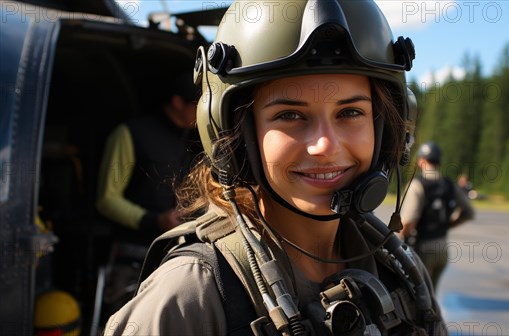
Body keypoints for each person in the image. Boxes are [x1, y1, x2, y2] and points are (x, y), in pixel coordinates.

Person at [104, 1, 447, 335]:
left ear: (388, 127)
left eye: (350, 112)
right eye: (290, 115)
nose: (325, 145)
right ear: (236, 138)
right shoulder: (190, 297)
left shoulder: (400, 270)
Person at [95, 73, 201, 311]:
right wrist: (154, 220)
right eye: (197, 105)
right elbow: (107, 199)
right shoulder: (130, 133)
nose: (202, 112)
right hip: (131, 254)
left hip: (178, 254)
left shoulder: (196, 139)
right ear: (177, 102)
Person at [400, 142, 475, 292]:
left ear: (421, 161)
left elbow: (408, 222)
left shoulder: (417, 185)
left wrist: (399, 242)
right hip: (442, 248)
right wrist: (448, 224)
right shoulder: (449, 184)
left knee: (416, 295)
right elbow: (468, 212)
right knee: (431, 294)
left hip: (423, 248)